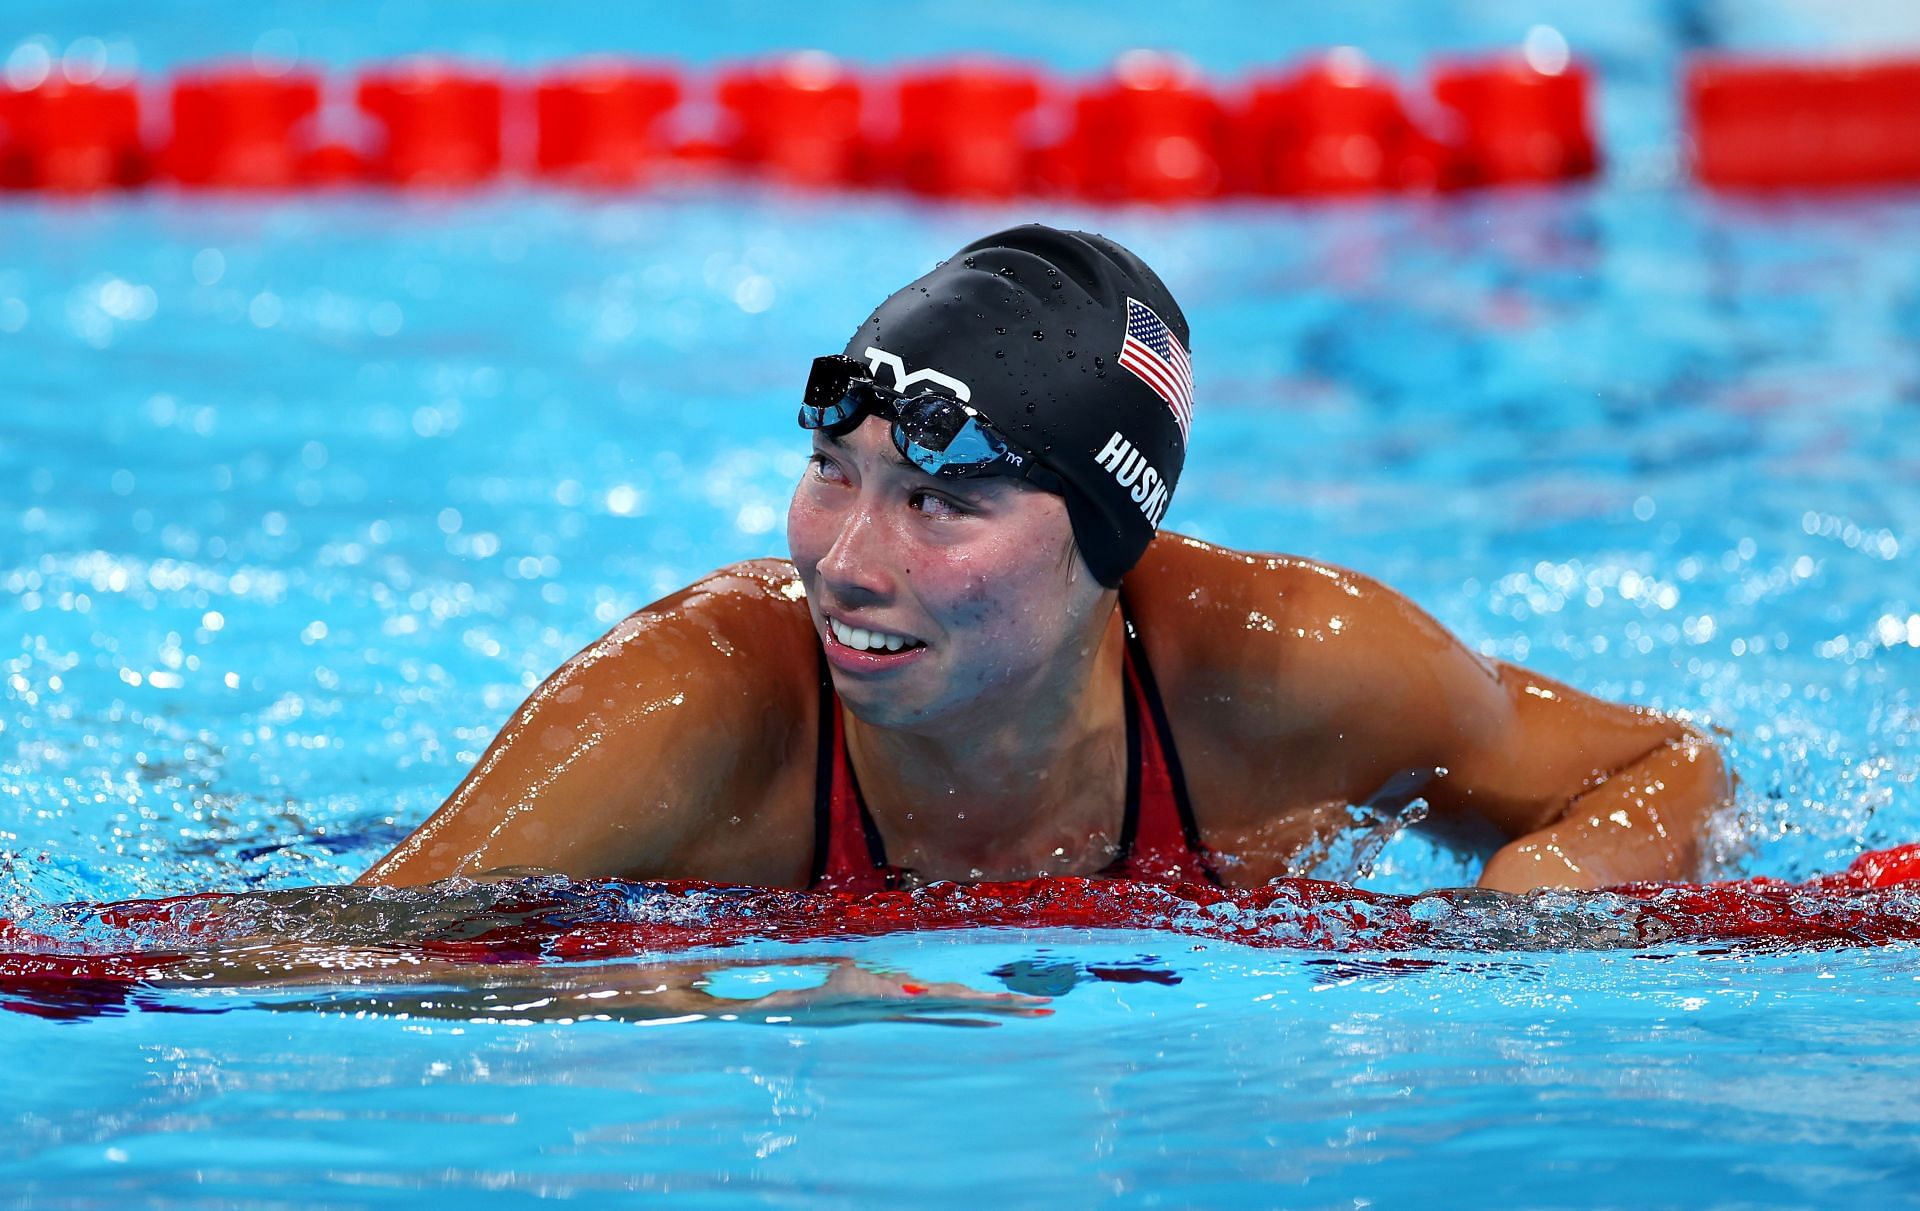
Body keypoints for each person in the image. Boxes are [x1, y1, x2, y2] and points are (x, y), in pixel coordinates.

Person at [358, 223, 1730, 898]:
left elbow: (1668, 763)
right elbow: (314, 959)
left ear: (1109, 545)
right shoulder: (690, 708)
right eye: (833, 473)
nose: (841, 560)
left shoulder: (1296, 670)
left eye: (937, 506)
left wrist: (1533, 903)